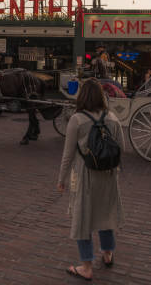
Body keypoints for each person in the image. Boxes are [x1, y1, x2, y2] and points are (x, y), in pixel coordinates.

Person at [57, 78, 124, 281]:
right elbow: (121, 147)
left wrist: (62, 179)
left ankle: (86, 266)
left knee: (82, 219)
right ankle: (108, 253)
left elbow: (68, 155)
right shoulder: (112, 117)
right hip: (109, 176)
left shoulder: (77, 120)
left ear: (82, 96)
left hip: (85, 174)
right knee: (105, 214)